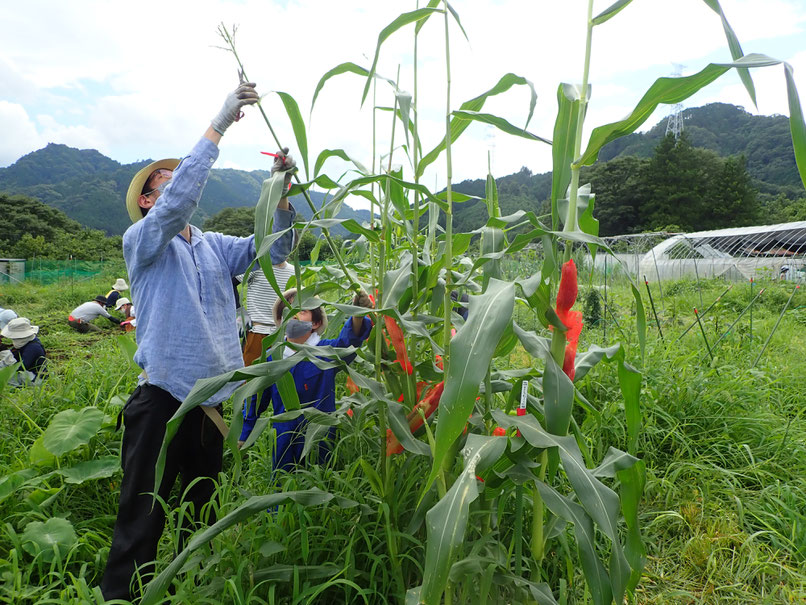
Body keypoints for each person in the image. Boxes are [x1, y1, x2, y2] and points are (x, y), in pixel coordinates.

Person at [99, 79, 297, 602]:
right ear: (146, 200)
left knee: (198, 515)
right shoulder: (142, 241)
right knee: (141, 516)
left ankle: (187, 590)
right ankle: (123, 595)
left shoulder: (214, 247)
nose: (177, 183)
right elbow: (179, 204)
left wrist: (279, 194)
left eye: (176, 176)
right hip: (163, 400)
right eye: (166, 179)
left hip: (210, 404)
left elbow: (275, 250)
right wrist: (222, 120)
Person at [239, 288, 373, 470]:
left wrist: (357, 313)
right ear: (280, 320)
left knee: (319, 481)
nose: (293, 314)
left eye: (301, 310)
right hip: (284, 437)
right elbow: (257, 399)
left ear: (316, 322)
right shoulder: (272, 357)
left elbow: (348, 342)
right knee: (283, 482)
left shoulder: (326, 352)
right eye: (287, 311)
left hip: (319, 435)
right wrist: (244, 434)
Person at [240, 263, 296, 365]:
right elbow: (230, 280)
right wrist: (239, 310)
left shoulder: (293, 270)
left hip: (282, 335)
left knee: (280, 375)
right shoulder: (257, 266)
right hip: (257, 332)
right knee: (251, 376)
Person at [0, 317, 47, 385]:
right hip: (29, 374)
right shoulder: (27, 342)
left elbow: (19, 367)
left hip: (36, 379)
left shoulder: (33, 348)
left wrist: (5, 353)